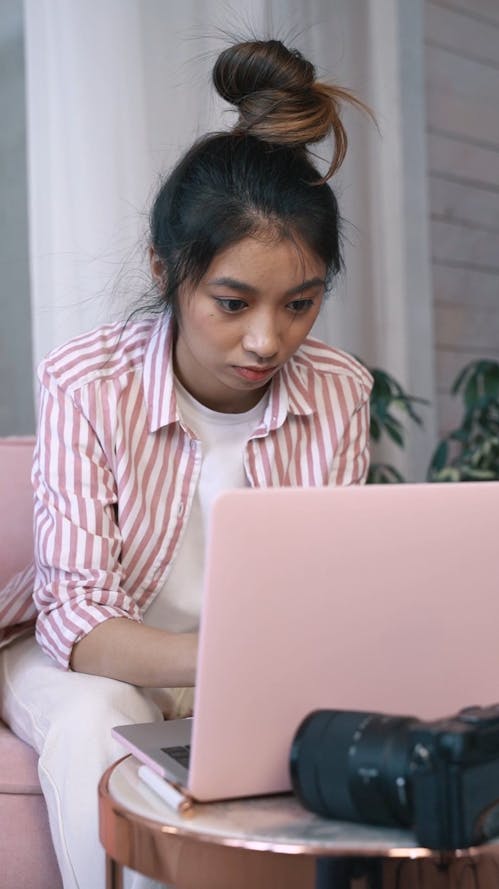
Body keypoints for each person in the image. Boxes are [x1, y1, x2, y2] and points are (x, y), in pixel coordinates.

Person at [0, 38, 373, 889]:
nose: (267, 340)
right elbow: (78, 625)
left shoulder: (339, 391)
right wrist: (228, 658)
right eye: (233, 303)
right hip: (85, 660)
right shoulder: (86, 381)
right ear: (168, 273)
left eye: (301, 304)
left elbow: (333, 594)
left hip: (242, 669)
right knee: (101, 716)